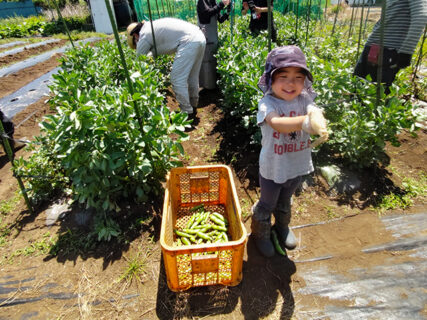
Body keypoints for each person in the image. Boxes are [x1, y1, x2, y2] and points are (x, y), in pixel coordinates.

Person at [252, 46, 328, 257]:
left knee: (285, 200)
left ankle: (282, 227)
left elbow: (313, 109)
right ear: (270, 80)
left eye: (298, 77)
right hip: (273, 166)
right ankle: (261, 234)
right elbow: (277, 123)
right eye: (283, 76)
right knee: (267, 203)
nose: (290, 83)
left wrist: (315, 114)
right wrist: (304, 122)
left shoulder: (304, 100)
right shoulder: (267, 103)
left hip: (296, 164)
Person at [126, 18, 206, 115]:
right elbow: (153, 53)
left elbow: (139, 63)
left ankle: (187, 112)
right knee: (192, 75)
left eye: (135, 43)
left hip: (189, 41)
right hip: (199, 37)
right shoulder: (150, 28)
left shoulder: (143, 37)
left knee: (177, 79)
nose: (137, 45)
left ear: (135, 36)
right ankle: (193, 104)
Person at [354, 0, 427, 93]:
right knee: (357, 88)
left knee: (373, 95)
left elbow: (421, 16)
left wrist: (406, 51)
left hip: (386, 51)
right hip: (375, 48)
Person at [197, 0, 231, 89]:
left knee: (213, 61)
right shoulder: (202, 1)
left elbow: (220, 19)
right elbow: (207, 13)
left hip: (213, 37)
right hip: (206, 36)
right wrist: (221, 4)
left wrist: (227, 11)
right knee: (207, 61)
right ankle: (207, 86)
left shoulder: (212, 2)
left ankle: (213, 85)